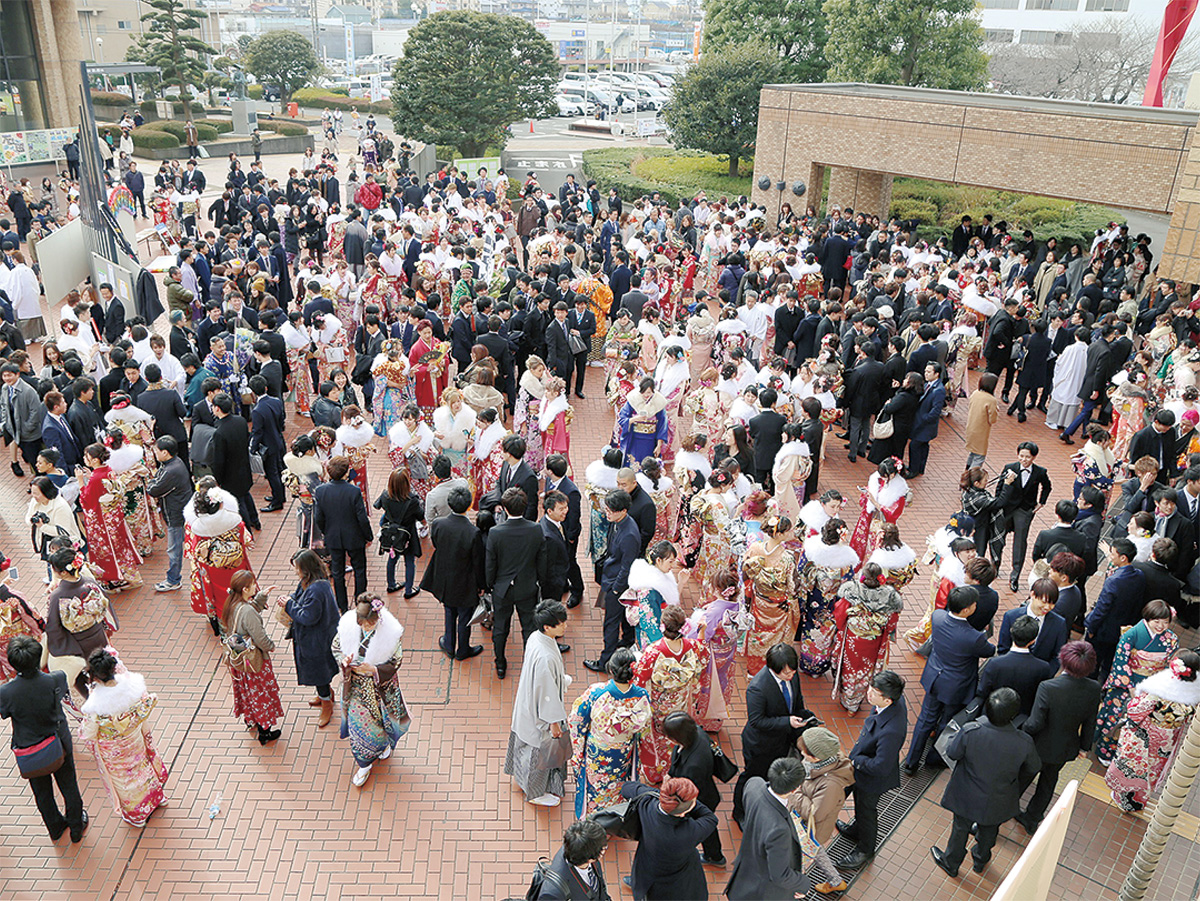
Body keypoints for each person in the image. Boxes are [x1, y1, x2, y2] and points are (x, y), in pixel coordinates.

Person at [931, 688, 1040, 878]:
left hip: (967, 793)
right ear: (1014, 715)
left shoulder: (971, 731)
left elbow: (953, 753)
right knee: (990, 828)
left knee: (960, 828)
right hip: (1000, 797)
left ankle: (951, 862)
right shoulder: (1024, 741)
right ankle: (980, 860)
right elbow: (1033, 767)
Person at [0, 635, 87, 842]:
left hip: (29, 747)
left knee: (42, 792)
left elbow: (5, 712)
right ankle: (76, 826)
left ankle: (55, 828)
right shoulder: (56, 678)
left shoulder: (6, 692)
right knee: (69, 785)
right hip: (59, 740)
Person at [903, 586, 996, 774]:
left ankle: (911, 762)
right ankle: (934, 758)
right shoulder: (974, 637)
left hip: (935, 677)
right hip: (957, 685)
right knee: (946, 721)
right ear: (967, 609)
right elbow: (989, 651)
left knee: (925, 720)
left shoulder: (937, 617)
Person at [1019, 641, 1103, 833]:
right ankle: (1032, 819)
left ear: (1063, 661)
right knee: (1049, 782)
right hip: (1065, 747)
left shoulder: (1048, 687)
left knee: (1022, 778)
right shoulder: (1094, 688)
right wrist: (1084, 747)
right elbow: (1090, 721)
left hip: (1038, 746)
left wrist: (1021, 729)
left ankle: (1004, 811)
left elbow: (1035, 723)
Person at [78, 648, 168, 827]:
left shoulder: (96, 704)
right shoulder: (132, 684)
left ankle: (138, 815)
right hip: (134, 738)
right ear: (113, 669)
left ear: (95, 676)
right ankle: (157, 798)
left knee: (125, 780)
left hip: (114, 749)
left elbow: (88, 732)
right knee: (143, 767)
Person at [732, 643, 817, 826]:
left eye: (793, 672)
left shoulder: (792, 676)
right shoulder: (757, 688)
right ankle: (739, 811)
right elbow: (757, 721)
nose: (791, 676)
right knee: (752, 777)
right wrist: (786, 722)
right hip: (761, 744)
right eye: (787, 673)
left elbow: (797, 702)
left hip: (782, 740)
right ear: (773, 668)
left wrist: (805, 718)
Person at [1105, 648, 1200, 811]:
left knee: (1135, 767)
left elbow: (1136, 712)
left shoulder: (1162, 687)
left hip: (1146, 735)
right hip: (1169, 738)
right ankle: (1140, 800)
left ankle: (1124, 800)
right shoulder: (1195, 691)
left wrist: (1132, 702)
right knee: (1153, 770)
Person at [334, 594, 411, 787]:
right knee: (360, 727)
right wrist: (344, 661)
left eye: (369, 625)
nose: (365, 628)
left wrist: (375, 670)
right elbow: (336, 647)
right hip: (357, 688)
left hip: (380, 687)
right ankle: (364, 763)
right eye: (362, 625)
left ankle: (383, 745)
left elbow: (396, 660)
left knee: (384, 722)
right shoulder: (348, 626)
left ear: (377, 619)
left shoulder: (390, 632)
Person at [836, 670, 908, 870]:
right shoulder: (890, 704)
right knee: (860, 806)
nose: (869, 694)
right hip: (865, 767)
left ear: (888, 700)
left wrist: (857, 760)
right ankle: (856, 829)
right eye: (871, 687)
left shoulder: (891, 730)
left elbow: (880, 766)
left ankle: (865, 850)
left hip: (872, 778)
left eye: (874, 692)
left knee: (867, 811)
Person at [568, 646, 652, 817]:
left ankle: (594, 822)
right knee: (618, 784)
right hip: (623, 751)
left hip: (597, 751)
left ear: (611, 669)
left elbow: (576, 720)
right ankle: (614, 818)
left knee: (596, 787)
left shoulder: (596, 692)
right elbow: (644, 728)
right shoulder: (641, 695)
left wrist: (579, 748)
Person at [1094, 600, 1178, 764]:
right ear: (1147, 618)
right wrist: (1131, 687)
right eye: (1156, 621)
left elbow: (1170, 665)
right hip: (1127, 684)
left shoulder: (1171, 639)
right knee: (1115, 716)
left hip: (1152, 686)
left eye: (1165, 622)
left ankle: (1123, 751)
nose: (1161, 626)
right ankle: (1105, 750)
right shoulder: (1132, 634)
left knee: (1137, 722)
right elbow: (1120, 661)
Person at [505, 600, 571, 806]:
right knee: (540, 752)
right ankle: (535, 792)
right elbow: (547, 694)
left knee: (525, 746)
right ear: (547, 627)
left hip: (528, 702)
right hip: (541, 712)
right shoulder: (545, 657)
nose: (565, 626)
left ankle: (521, 777)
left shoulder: (536, 637)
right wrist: (554, 722)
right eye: (560, 623)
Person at [631, 605, 707, 786]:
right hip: (681, 701)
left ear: (663, 625)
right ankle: (677, 767)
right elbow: (703, 655)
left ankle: (657, 773)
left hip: (660, 704)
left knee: (658, 736)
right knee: (678, 734)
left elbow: (640, 679)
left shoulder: (654, 651)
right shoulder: (692, 647)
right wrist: (701, 632)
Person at [726, 757, 812, 900]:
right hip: (761, 891)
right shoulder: (779, 830)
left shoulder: (753, 785)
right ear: (795, 789)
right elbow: (780, 875)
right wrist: (803, 883)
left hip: (745, 872)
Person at [620, 777, 718, 901]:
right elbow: (710, 818)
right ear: (683, 813)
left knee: (643, 889)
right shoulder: (689, 832)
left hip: (647, 866)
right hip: (677, 883)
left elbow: (626, 788)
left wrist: (664, 795)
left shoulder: (647, 803)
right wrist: (688, 801)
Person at [487, 487, 547, 679]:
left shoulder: (495, 532)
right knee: (529, 627)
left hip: (502, 589)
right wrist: (538, 581)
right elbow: (542, 560)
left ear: (504, 507)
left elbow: (491, 564)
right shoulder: (536, 529)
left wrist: (491, 585)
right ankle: (529, 662)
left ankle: (500, 663)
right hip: (527, 587)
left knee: (500, 628)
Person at [421, 485, 485, 661]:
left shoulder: (440, 524)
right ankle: (463, 649)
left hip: (445, 578)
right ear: (468, 505)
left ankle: (449, 644)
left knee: (449, 612)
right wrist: (481, 585)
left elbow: (436, 543)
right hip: (465, 581)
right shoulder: (473, 532)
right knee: (465, 616)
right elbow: (478, 561)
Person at [219, 571, 284, 744]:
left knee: (247, 693)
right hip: (253, 662)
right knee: (261, 694)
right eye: (253, 585)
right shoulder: (247, 611)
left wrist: (262, 597)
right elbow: (260, 637)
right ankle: (265, 732)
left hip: (240, 660)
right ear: (245, 589)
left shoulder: (231, 604)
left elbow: (246, 612)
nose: (256, 586)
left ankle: (251, 720)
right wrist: (271, 646)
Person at [789, 727, 855, 894]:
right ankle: (835, 880)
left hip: (812, 825)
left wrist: (794, 793)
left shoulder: (830, 785)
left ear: (816, 757)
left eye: (805, 754)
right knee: (815, 849)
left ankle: (795, 888)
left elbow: (815, 813)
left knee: (801, 856)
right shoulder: (825, 759)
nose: (802, 756)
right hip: (809, 828)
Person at [184, 476, 253, 635]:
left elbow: (195, 551)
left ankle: (225, 626)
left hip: (212, 567)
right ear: (221, 503)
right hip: (236, 562)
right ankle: (244, 620)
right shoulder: (235, 521)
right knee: (239, 588)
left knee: (217, 594)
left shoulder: (197, 528)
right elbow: (245, 540)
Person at [831, 562, 904, 713]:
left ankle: (847, 699)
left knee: (849, 668)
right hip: (873, 641)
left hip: (853, 637)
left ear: (863, 576)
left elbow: (840, 613)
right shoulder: (890, 595)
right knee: (865, 670)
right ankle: (856, 702)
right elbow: (891, 622)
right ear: (880, 577)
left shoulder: (851, 589)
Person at [584, 489, 641, 673]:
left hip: (618, 585)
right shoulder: (617, 522)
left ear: (623, 511)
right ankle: (626, 641)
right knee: (622, 617)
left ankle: (605, 661)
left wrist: (616, 589)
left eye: (610, 510)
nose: (606, 513)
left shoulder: (629, 534)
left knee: (610, 622)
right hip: (611, 575)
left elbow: (627, 566)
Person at [283, 549, 340, 729]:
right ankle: (325, 694)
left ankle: (327, 704)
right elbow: (300, 599)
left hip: (317, 641)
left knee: (319, 673)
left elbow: (308, 616)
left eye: (298, 568)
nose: (296, 572)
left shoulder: (315, 589)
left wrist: (289, 605)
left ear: (306, 569)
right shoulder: (314, 582)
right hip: (318, 638)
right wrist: (291, 600)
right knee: (320, 673)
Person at [78, 442, 143, 591]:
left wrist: (81, 481)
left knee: (106, 550)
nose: (84, 458)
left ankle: (114, 578)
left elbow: (87, 501)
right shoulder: (108, 470)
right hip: (114, 517)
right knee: (120, 548)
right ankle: (131, 576)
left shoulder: (95, 478)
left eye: (87, 456)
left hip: (102, 521)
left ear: (95, 460)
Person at [315, 456, 373, 613]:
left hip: (333, 537)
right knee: (359, 570)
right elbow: (362, 517)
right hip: (354, 537)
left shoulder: (320, 491)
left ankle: (342, 606)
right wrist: (368, 536)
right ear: (346, 472)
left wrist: (327, 532)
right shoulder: (353, 491)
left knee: (337, 572)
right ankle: (361, 603)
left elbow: (318, 518)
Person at [1084, 538, 1147, 682]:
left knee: (1093, 662)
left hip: (1104, 631)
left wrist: (1092, 628)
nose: (1110, 557)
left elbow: (1101, 610)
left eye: (1112, 554)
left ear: (1123, 558)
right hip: (1123, 629)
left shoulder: (1114, 581)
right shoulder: (1139, 575)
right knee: (1109, 663)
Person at [995, 441, 1053, 591]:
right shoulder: (1010, 468)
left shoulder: (1040, 472)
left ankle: (1015, 576)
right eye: (1021, 456)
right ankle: (995, 566)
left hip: (1024, 510)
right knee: (998, 538)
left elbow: (1047, 486)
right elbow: (1000, 487)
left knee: (1020, 543)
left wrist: (1041, 502)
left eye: (1027, 457)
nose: (1024, 459)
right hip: (1007, 509)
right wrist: (998, 505)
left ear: (1034, 457)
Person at [975, 615, 1057, 716]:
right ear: (1033, 640)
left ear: (1011, 631)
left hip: (994, 713)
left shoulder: (994, 663)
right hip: (1022, 716)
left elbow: (982, 691)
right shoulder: (1043, 667)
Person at [146, 437, 193, 593]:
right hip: (179, 511)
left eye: (157, 450)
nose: (155, 453)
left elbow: (154, 489)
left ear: (165, 452)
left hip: (176, 515)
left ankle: (173, 580)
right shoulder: (174, 463)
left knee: (174, 549)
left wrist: (150, 483)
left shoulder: (171, 470)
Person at [210, 392, 261, 532]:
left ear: (217, 408)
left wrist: (217, 479)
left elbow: (219, 460)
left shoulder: (219, 432)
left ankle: (247, 532)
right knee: (246, 494)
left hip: (230, 475)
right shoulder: (240, 421)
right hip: (243, 467)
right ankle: (255, 521)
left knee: (239, 503)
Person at [375, 468, 424, 598]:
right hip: (408, 534)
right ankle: (408, 591)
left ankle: (391, 585)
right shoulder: (412, 500)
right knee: (409, 562)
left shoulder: (385, 495)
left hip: (392, 534)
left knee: (392, 559)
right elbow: (420, 516)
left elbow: (377, 505)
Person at [538, 816, 612, 901]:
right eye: (603, 848)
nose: (605, 848)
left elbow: (600, 887)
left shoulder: (577, 847)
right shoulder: (552, 893)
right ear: (590, 858)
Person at [996, 578, 1069, 663]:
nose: (1047, 607)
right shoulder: (1011, 617)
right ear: (1033, 594)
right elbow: (1003, 649)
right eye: (1044, 602)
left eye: (1052, 603)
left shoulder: (1059, 624)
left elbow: (1057, 656)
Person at [963, 372, 999, 470]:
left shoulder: (975, 393)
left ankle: (966, 473)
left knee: (973, 453)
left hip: (971, 428)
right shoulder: (991, 400)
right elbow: (993, 419)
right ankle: (971, 478)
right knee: (979, 456)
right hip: (981, 432)